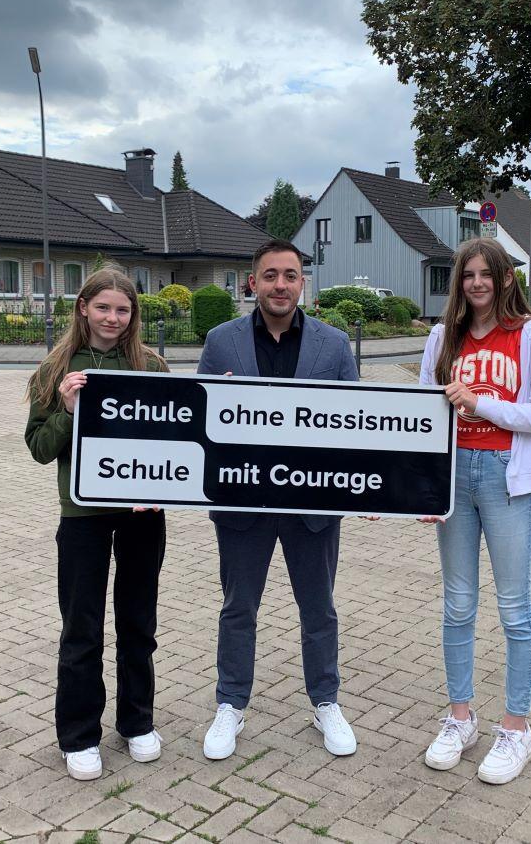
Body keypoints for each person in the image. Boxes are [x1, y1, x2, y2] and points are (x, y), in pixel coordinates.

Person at [197, 239, 360, 760]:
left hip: (312, 508)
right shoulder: (221, 342)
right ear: (253, 282)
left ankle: (326, 701)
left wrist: (376, 483)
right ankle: (230, 703)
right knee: (238, 608)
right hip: (244, 505)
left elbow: (357, 427)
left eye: (290, 275)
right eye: (270, 275)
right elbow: (198, 423)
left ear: (302, 282)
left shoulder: (333, 345)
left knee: (319, 610)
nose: (280, 285)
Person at [417, 238, 531, 785]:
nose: (477, 283)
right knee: (457, 604)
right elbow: (423, 419)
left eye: (487, 274)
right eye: (468, 274)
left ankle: (516, 727)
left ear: (506, 279)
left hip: (506, 477)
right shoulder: (443, 336)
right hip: (455, 477)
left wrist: (480, 403)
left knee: (514, 608)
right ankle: (460, 718)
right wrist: (424, 489)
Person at [25, 268, 169, 781]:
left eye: (123, 310)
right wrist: (66, 408)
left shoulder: (150, 365)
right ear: (83, 307)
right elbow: (40, 449)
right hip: (82, 517)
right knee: (82, 628)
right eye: (104, 307)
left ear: (133, 315)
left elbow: (172, 440)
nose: (113, 318)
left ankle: (137, 723)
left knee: (137, 624)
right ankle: (79, 734)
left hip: (141, 517)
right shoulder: (56, 368)